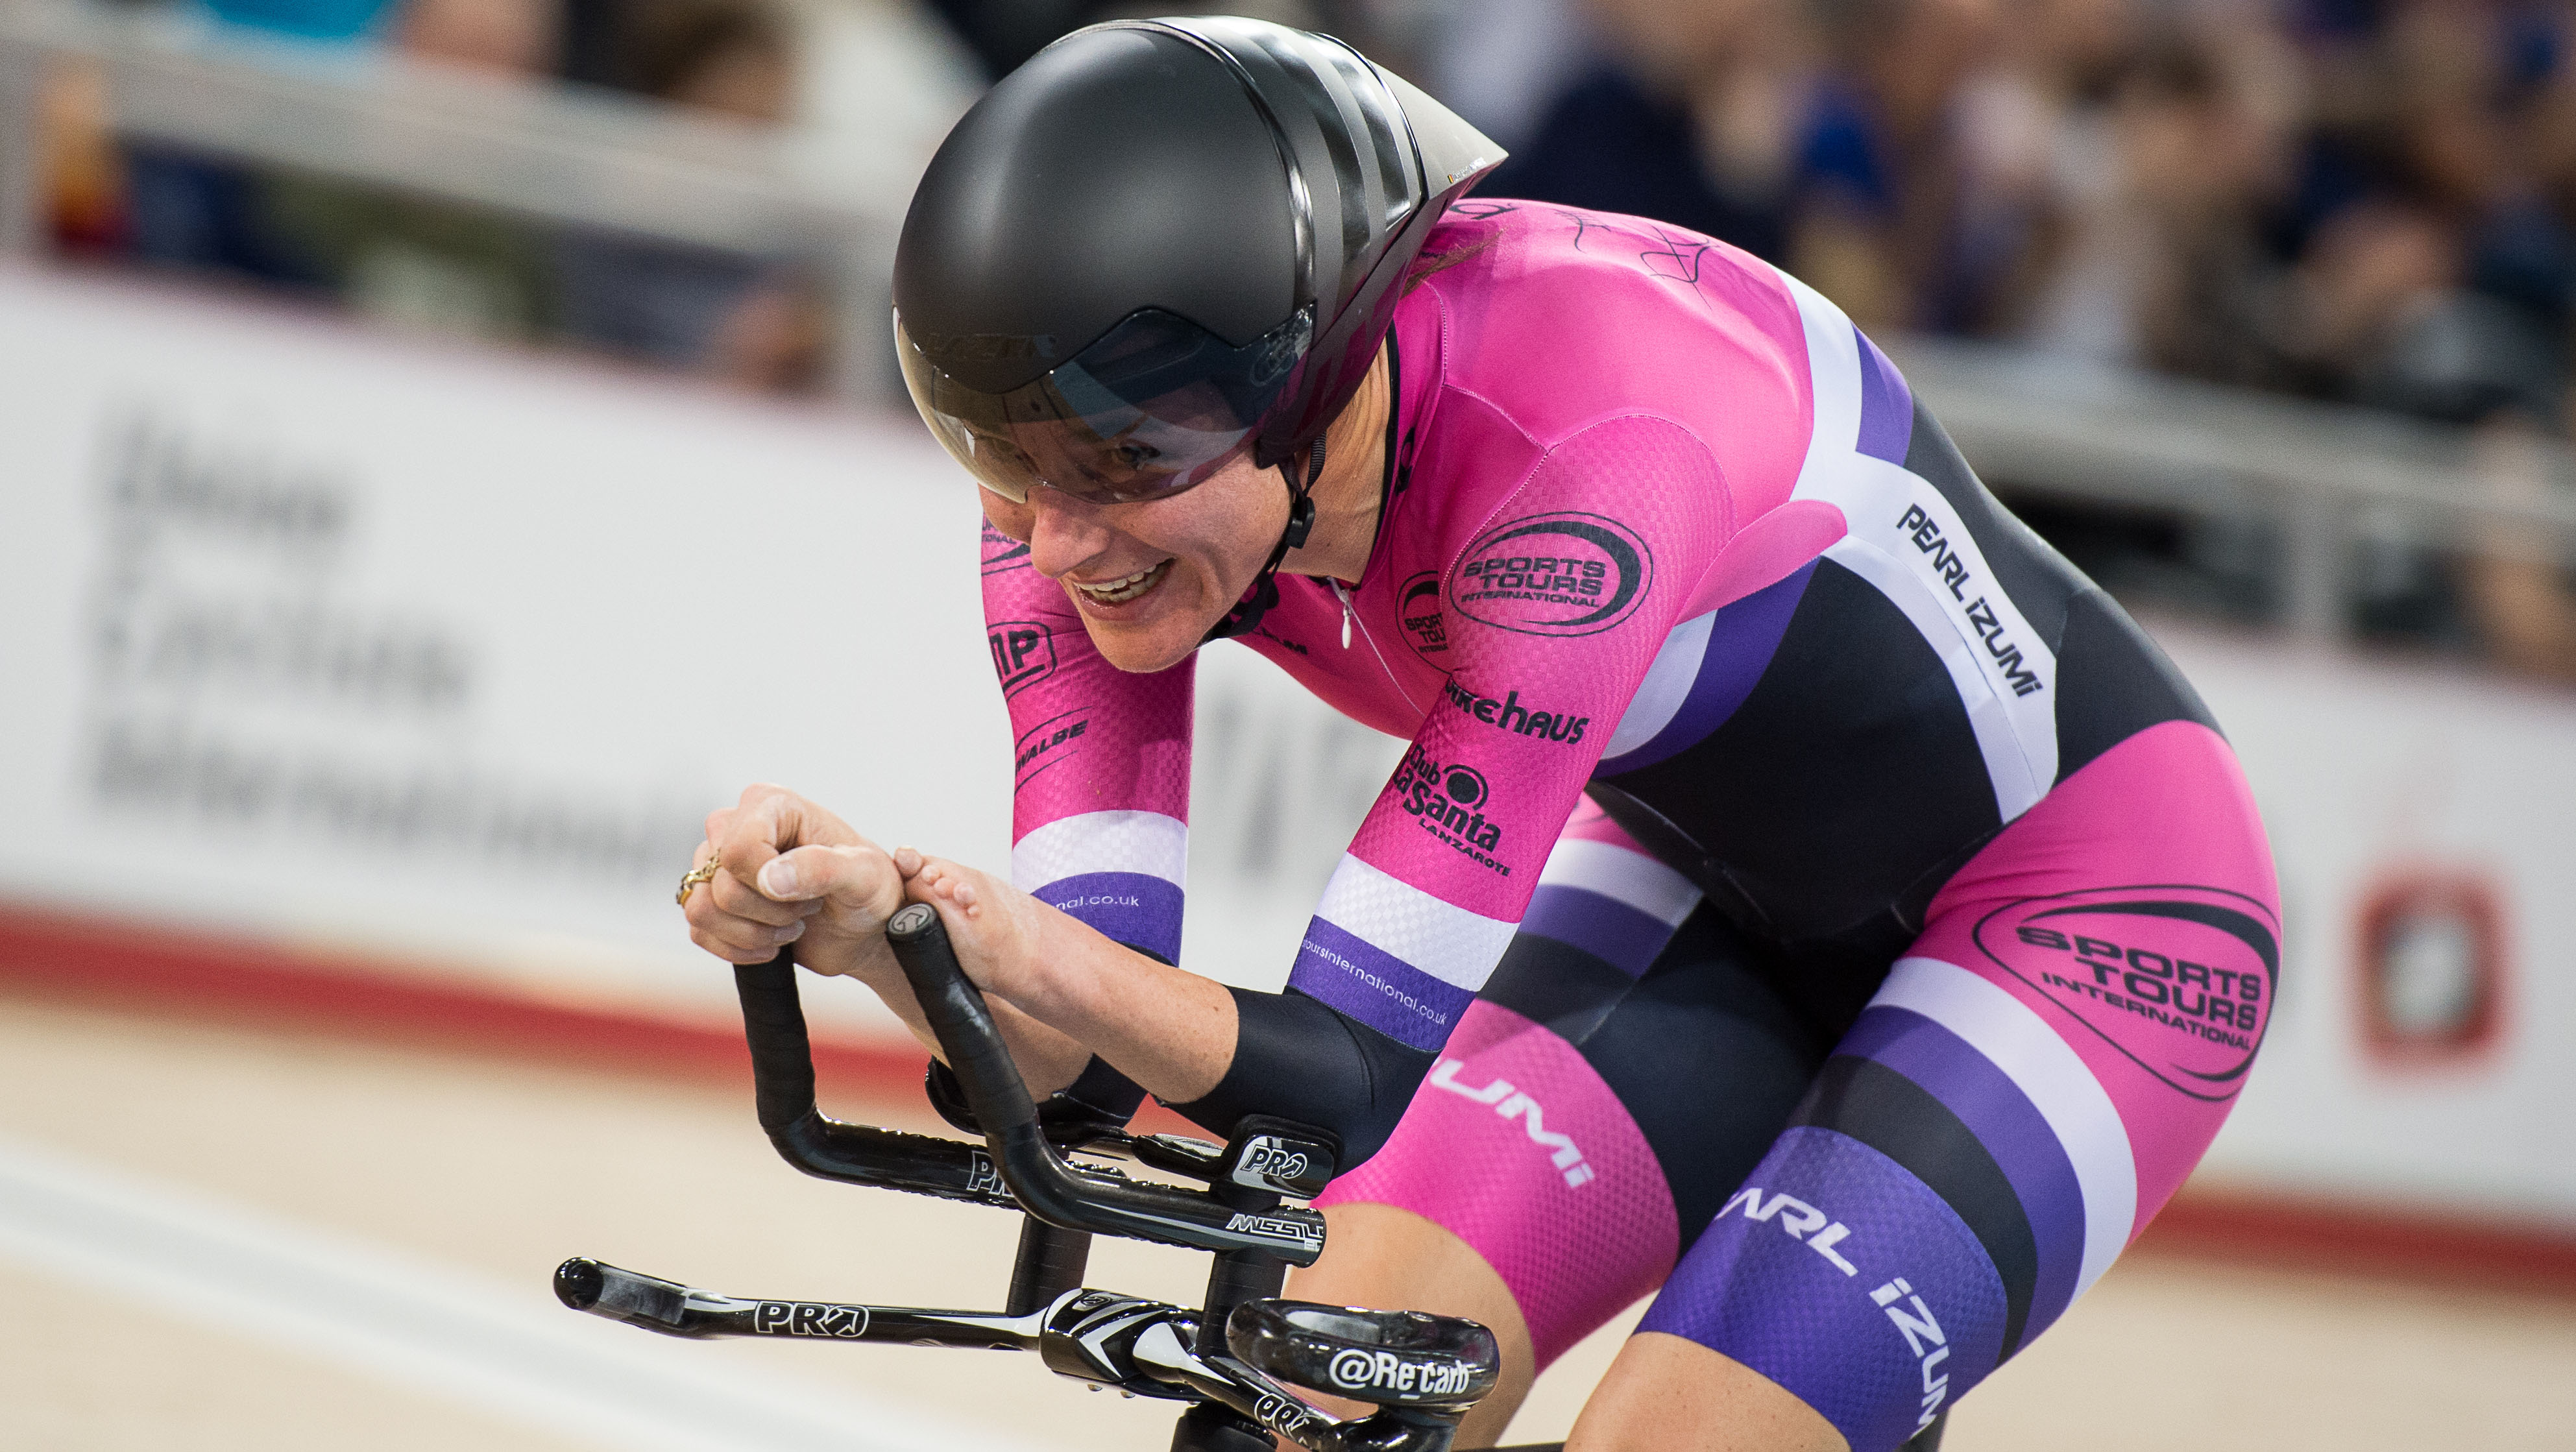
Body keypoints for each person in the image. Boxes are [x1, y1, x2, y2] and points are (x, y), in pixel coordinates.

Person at [682, 18, 2279, 1451]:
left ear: (1305, 388)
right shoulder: (1089, 491)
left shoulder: (1592, 459)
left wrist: (1004, 942)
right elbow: (1083, 1049)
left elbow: (1345, 1084)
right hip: (1701, 876)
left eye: (1117, 463)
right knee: (1313, 1407)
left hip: (2085, 908)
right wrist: (895, 932)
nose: (1056, 541)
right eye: (999, 455)